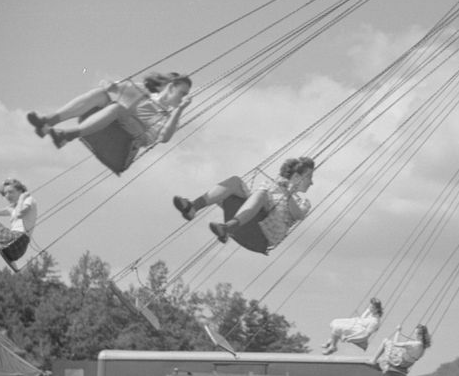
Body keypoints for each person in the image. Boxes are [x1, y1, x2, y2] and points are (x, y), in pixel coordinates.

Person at [172, 157, 315, 252]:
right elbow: (253, 201)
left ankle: (227, 228)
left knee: (262, 193)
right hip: (250, 221)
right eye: (309, 177)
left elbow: (299, 215)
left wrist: (288, 194)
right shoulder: (271, 186)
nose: (311, 182)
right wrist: (279, 188)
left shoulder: (302, 202)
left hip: (262, 236)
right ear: (296, 177)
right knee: (236, 182)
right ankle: (192, 207)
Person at [27, 72, 191, 151]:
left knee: (117, 108)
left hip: (134, 139)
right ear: (170, 88)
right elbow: (112, 85)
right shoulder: (144, 93)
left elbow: (163, 138)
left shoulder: (171, 116)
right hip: (120, 121)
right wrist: (109, 84)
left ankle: (68, 135)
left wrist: (179, 109)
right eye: (182, 93)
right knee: (100, 94)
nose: (183, 97)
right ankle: (47, 123)